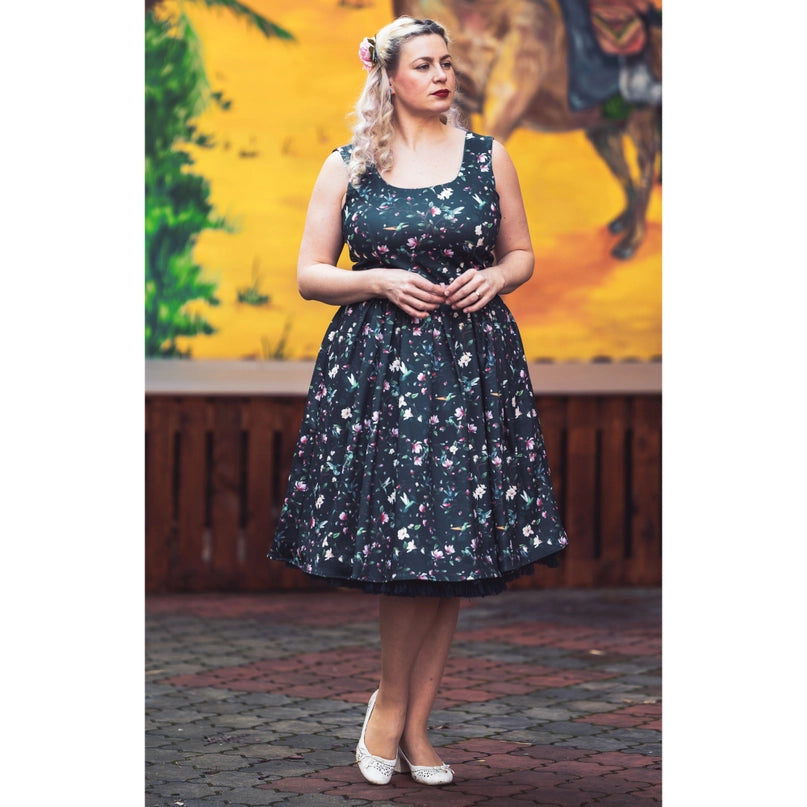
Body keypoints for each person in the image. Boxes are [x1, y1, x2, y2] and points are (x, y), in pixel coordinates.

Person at [268, 15, 568, 787]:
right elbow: (309, 274)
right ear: (388, 78)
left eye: (446, 63)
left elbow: (521, 252)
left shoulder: (486, 156)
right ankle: (389, 706)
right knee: (412, 552)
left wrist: (498, 277)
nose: (442, 76)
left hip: (471, 369)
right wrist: (375, 279)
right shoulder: (348, 168)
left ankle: (415, 721)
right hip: (381, 378)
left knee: (451, 550)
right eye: (425, 65)